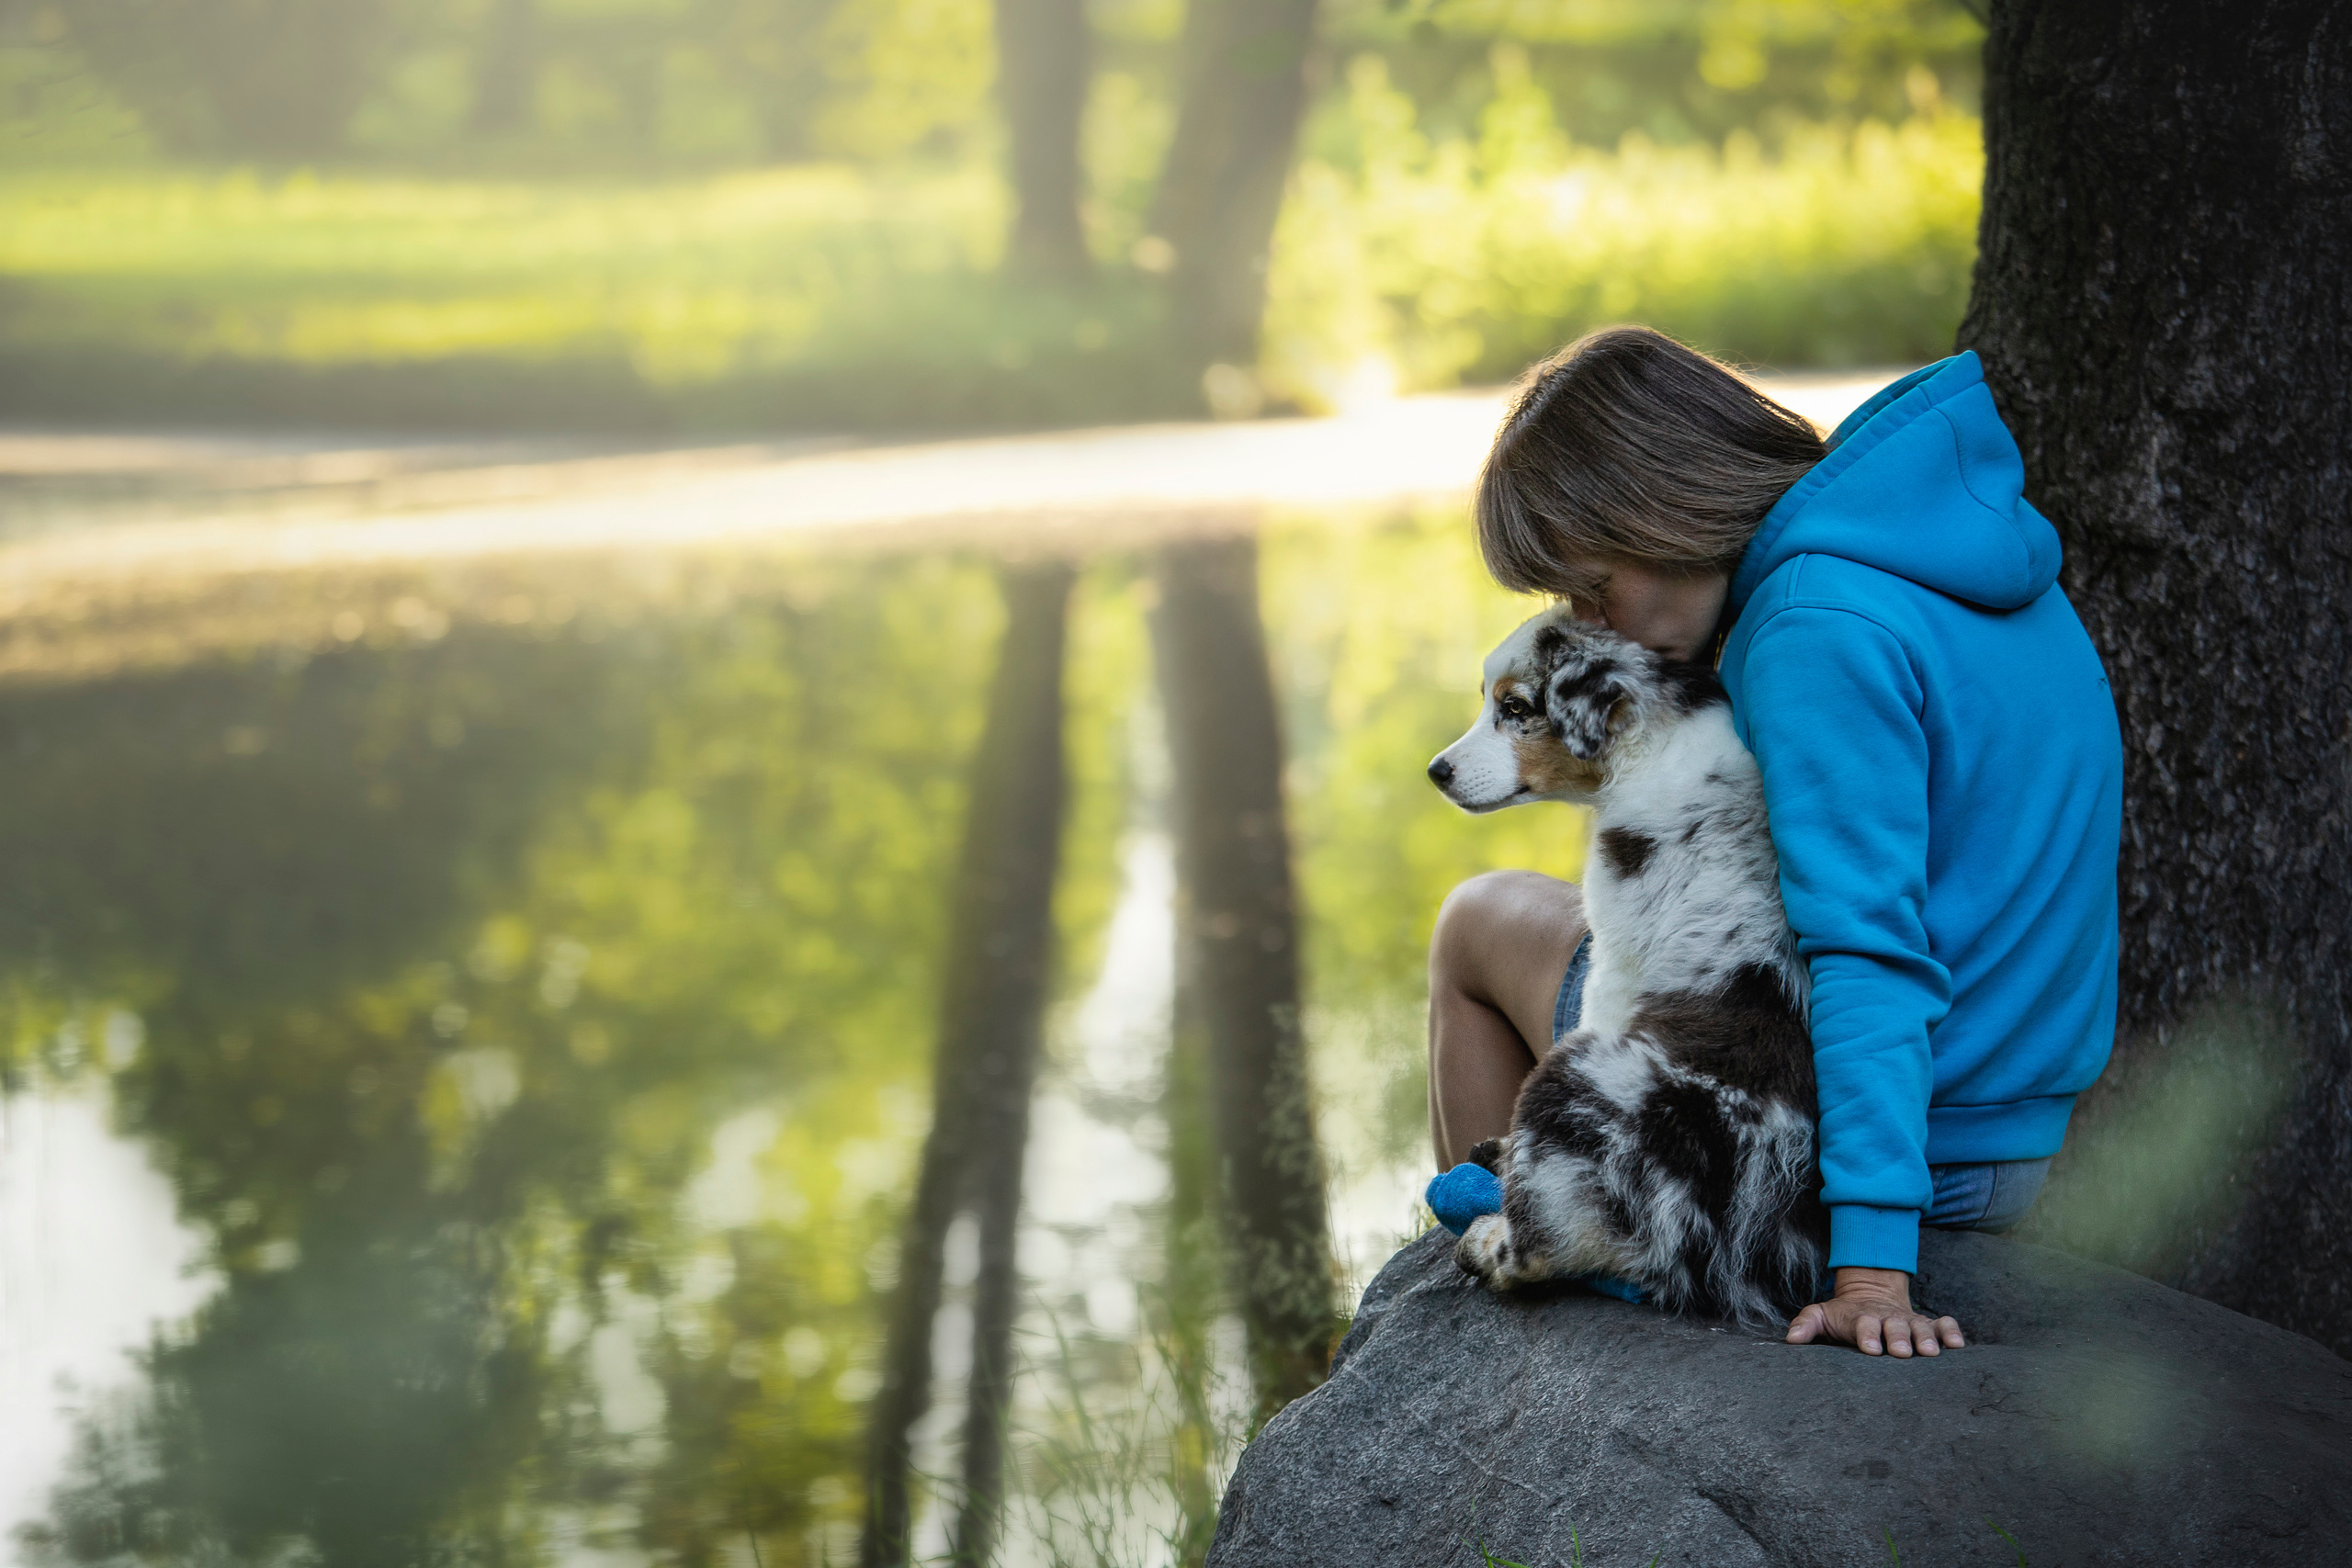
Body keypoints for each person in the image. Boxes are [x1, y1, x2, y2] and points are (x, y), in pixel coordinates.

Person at [1428, 327, 2121, 1358]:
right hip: (2009, 1115)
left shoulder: (1807, 630)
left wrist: (1872, 1269)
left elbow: (1867, 951)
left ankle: (1518, 1266)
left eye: (1592, 586)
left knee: (1479, 925)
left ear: (1659, 512)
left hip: (1869, 1136)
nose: (1590, 624)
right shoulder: (1940, 542)